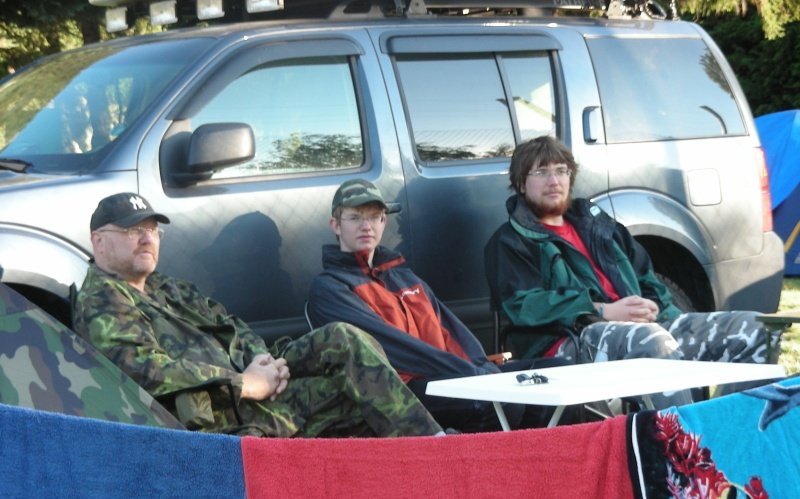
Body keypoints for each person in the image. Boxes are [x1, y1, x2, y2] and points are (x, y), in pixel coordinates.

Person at [73, 192, 445, 438]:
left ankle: (433, 444)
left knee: (343, 339)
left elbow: (230, 323)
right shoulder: (102, 301)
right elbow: (144, 370)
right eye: (133, 231)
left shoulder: (167, 287)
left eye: (153, 231)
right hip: (227, 414)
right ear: (99, 241)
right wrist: (243, 382)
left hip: (257, 385)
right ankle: (433, 452)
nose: (147, 239)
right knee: (360, 395)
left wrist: (263, 362)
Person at [485, 136, 780, 409]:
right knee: (651, 341)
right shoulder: (510, 241)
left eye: (561, 171)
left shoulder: (599, 226)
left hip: (643, 329)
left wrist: (655, 307)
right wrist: (602, 310)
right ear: (521, 184)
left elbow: (648, 279)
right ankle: (683, 443)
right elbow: (524, 306)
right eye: (541, 172)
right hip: (568, 342)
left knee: (758, 330)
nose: (554, 181)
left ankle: (733, 431)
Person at [308, 179, 562, 432]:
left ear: (384, 222)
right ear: (336, 225)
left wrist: (482, 367)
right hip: (401, 391)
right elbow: (392, 349)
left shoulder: (404, 277)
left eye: (374, 217)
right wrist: (471, 375)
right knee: (505, 403)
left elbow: (452, 332)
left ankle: (543, 456)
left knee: (557, 374)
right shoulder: (330, 288)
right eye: (355, 218)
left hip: (450, 375)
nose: (366, 226)